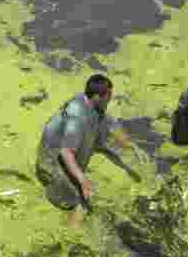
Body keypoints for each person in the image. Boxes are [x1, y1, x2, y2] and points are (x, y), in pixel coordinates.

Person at [35, 74, 146, 228]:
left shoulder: (88, 102)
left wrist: (128, 143)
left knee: (100, 136)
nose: (110, 100)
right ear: (96, 97)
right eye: (108, 97)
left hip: (72, 146)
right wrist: (83, 180)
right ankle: (72, 233)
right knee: (80, 202)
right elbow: (65, 152)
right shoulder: (77, 116)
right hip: (52, 162)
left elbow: (108, 121)